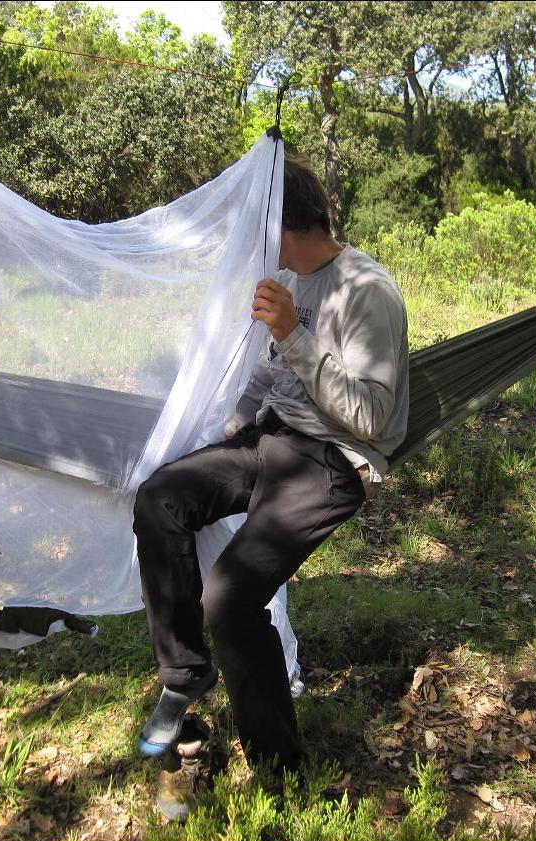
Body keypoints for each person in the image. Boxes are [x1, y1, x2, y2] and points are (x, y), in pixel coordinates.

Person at [132, 154, 410, 780]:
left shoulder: (367, 291)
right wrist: (213, 439)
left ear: (280, 224)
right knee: (160, 498)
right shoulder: (286, 276)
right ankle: (185, 674)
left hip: (335, 459)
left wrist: (292, 333)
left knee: (229, 600)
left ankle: (278, 767)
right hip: (270, 441)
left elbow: (370, 416)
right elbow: (267, 378)